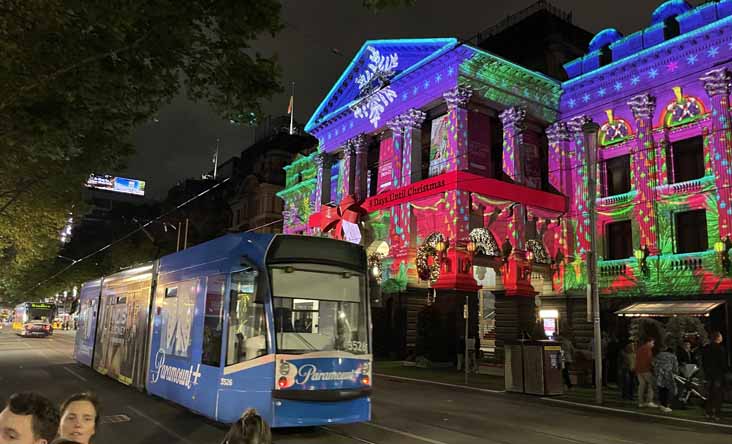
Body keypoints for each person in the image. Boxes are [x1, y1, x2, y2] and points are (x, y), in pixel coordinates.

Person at [701, 331, 727, 421]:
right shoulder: (720, 348)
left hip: (709, 374)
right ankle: (716, 413)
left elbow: (703, 362)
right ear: (718, 338)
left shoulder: (706, 348)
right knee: (718, 394)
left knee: (710, 393)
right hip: (718, 374)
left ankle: (708, 412)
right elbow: (723, 363)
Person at [653, 347, 679, 413]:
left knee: (661, 389)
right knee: (667, 389)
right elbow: (675, 367)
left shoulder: (659, 355)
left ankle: (662, 404)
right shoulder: (673, 356)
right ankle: (665, 405)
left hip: (658, 374)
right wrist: (675, 372)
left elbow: (653, 363)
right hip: (667, 374)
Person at [635, 337, 658, 408]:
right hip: (646, 370)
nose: (653, 344)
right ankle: (649, 401)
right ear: (648, 342)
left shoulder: (639, 349)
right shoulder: (648, 349)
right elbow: (649, 360)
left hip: (639, 370)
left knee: (641, 386)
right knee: (652, 384)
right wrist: (654, 367)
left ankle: (640, 402)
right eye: (652, 343)